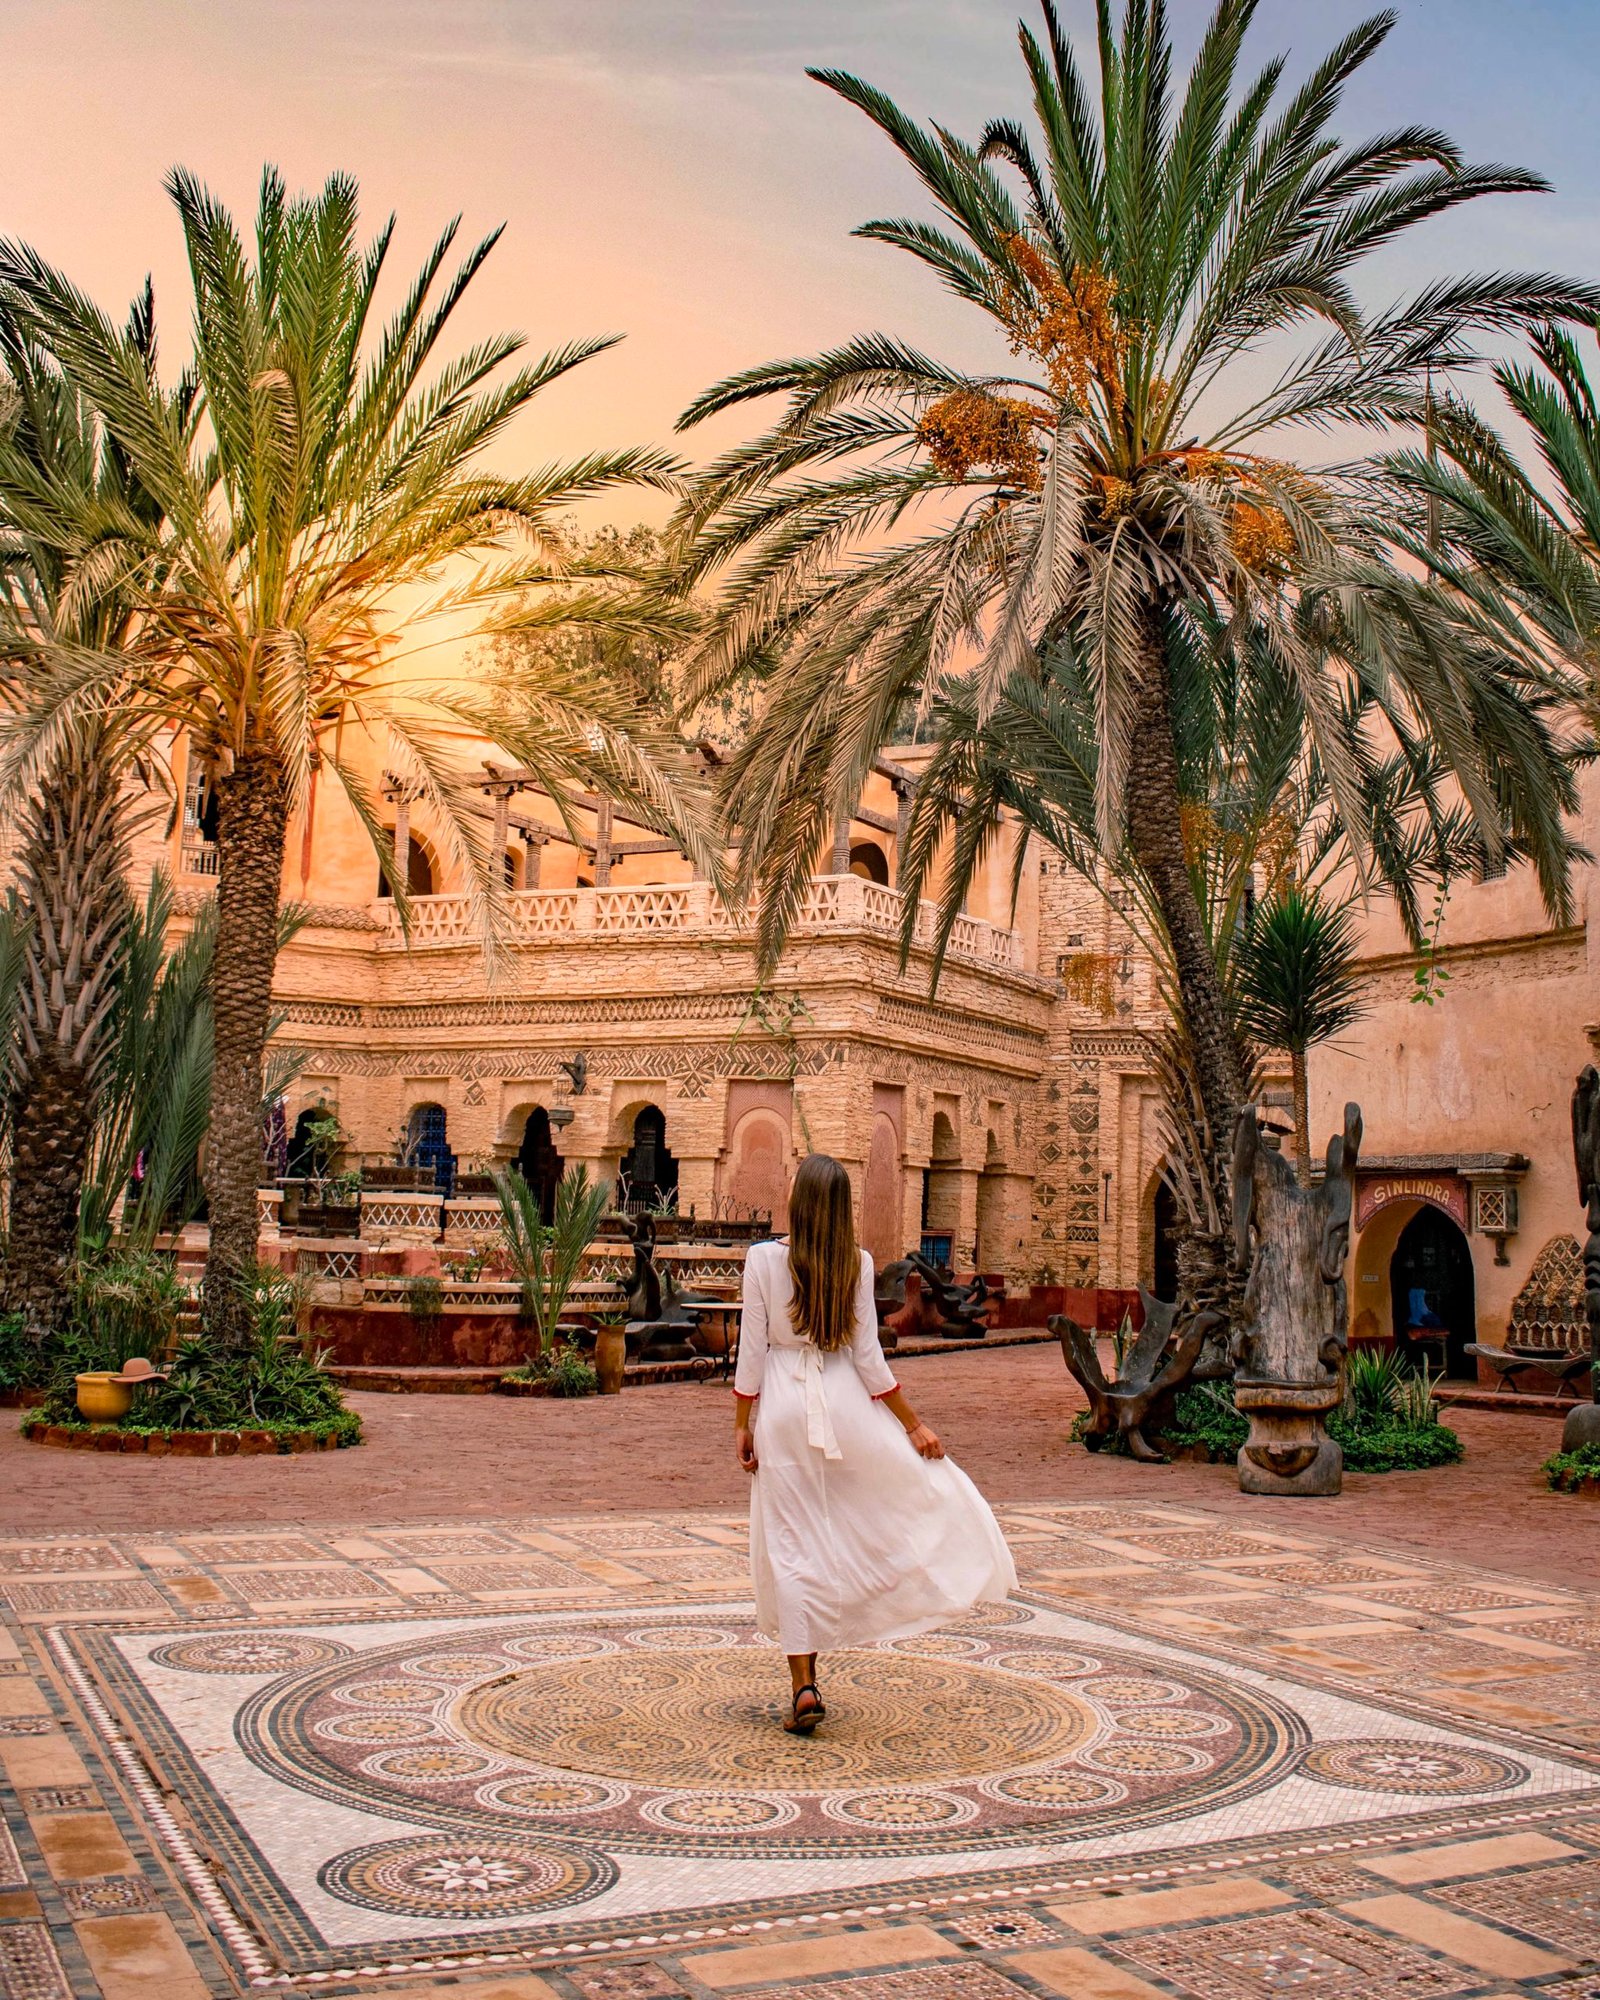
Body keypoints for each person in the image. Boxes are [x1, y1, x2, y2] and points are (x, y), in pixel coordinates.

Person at [733, 1153, 1016, 1734]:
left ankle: (802, 1684)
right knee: (864, 1517)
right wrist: (912, 1425)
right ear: (841, 1207)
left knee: (791, 1544)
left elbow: (752, 1349)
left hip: (784, 1407)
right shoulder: (857, 1263)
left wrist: (743, 1421)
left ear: (798, 1200)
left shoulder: (762, 1260)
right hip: (845, 1405)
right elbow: (868, 1360)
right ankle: (868, 1606)